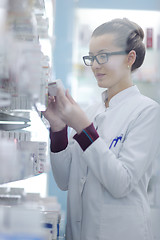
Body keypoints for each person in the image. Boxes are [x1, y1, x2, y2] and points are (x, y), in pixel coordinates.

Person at [43, 18, 160, 240]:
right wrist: (58, 129)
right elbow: (64, 180)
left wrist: (83, 128)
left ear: (130, 58)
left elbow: (121, 183)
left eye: (103, 56)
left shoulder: (148, 112)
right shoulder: (89, 111)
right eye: (92, 58)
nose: (96, 65)